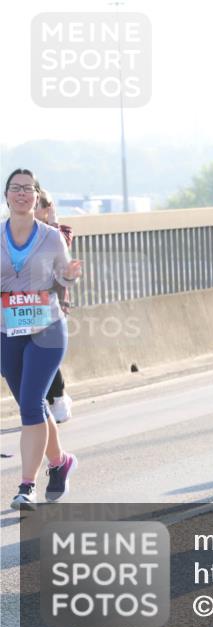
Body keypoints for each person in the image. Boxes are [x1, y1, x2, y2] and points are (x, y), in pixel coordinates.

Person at [2, 170, 83, 510]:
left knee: (33, 403)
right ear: (7, 196)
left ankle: (26, 486)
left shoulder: (51, 237)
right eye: (15, 188)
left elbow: (65, 277)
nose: (22, 194)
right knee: (30, 405)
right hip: (7, 330)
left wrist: (68, 276)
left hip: (47, 328)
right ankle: (60, 460)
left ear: (37, 197)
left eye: (28, 189)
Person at [35, 188, 74, 423]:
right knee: (32, 353)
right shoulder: (17, 232)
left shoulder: (58, 233)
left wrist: (53, 221)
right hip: (24, 301)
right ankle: (49, 399)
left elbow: (63, 251)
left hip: (53, 302)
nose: (37, 209)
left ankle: (58, 397)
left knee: (46, 350)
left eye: (42, 205)